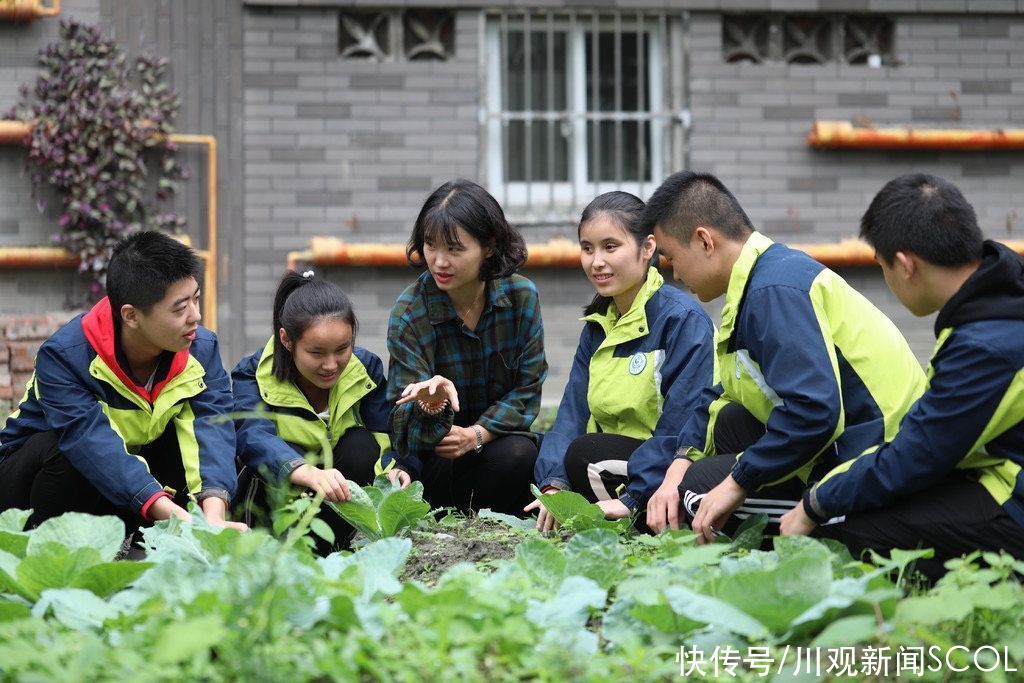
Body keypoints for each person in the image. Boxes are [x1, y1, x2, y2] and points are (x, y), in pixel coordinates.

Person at [642, 171, 926, 540]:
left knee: (696, 494)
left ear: (704, 241)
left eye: (670, 258)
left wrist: (737, 481)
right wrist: (681, 459)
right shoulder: (762, 277)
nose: (674, 274)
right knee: (729, 422)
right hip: (858, 439)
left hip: (875, 463)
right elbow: (720, 391)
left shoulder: (772, 292)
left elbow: (815, 412)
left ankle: (839, 532)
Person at [780, 173, 1024, 579]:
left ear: (906, 265)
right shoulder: (1001, 300)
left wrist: (815, 502)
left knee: (858, 528)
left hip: (1014, 496)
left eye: (883, 267)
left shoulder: (984, 344)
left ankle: (985, 597)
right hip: (1003, 468)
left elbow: (916, 457)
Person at [0, 231, 244, 531]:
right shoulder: (66, 357)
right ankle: (42, 550)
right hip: (30, 482)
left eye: (196, 299)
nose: (196, 316)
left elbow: (212, 426)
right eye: (180, 308)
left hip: (120, 480)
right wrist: (181, 520)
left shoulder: (201, 348)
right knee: (65, 449)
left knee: (227, 436)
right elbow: (91, 444)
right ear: (131, 315)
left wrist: (214, 518)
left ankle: (140, 543)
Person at [526, 191, 715, 532]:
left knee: (584, 455)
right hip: (616, 463)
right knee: (541, 452)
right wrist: (553, 485)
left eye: (610, 247)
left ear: (647, 248)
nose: (596, 261)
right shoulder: (599, 325)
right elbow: (571, 412)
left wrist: (636, 497)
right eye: (587, 248)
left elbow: (682, 426)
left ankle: (631, 526)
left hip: (670, 468)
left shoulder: (681, 319)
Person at [387, 178, 547, 515]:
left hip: (496, 443)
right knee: (431, 469)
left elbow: (527, 391)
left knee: (522, 455)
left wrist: (476, 434)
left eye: (454, 249)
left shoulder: (521, 297)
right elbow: (404, 427)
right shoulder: (409, 313)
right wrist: (431, 406)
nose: (439, 261)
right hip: (437, 453)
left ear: (488, 247)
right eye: (430, 245)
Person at [232, 271, 405, 552]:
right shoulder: (253, 374)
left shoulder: (365, 369)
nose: (331, 365)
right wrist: (305, 471)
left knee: (361, 445)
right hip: (275, 501)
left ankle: (332, 549)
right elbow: (252, 436)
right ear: (287, 340)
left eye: (342, 349)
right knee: (266, 461)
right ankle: (268, 550)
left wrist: (396, 468)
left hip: (336, 499)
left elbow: (387, 434)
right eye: (316, 353)